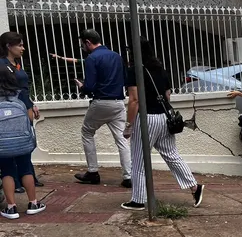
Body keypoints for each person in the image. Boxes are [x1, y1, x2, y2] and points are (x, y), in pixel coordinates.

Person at [121, 38, 203, 211]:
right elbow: (167, 96)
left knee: (138, 161)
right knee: (172, 155)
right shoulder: (160, 70)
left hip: (146, 119)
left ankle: (138, 200)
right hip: (164, 118)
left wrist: (129, 125)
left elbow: (134, 100)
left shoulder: (134, 71)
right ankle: (194, 187)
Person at [74, 30, 131, 188]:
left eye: (82, 45)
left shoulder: (92, 58)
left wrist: (82, 87)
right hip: (118, 102)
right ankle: (128, 176)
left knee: (87, 132)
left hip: (101, 102)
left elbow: (90, 86)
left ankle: (93, 172)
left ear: (88, 42)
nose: (83, 48)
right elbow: (125, 79)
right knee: (122, 139)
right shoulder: (116, 56)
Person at [0, 64, 46, 219]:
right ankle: (33, 203)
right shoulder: (20, 95)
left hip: (3, 144)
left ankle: (11, 208)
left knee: (6, 171)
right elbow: (29, 118)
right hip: (22, 142)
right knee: (25, 169)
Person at [0, 32, 43, 192]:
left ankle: (27, 173)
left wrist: (32, 104)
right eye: (19, 45)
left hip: (25, 108)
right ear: (8, 46)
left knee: (26, 142)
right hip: (11, 111)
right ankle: (15, 179)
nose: (23, 48)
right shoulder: (3, 65)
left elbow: (24, 89)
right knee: (11, 143)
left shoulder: (16, 64)